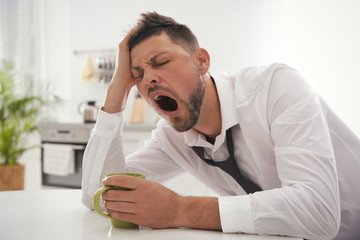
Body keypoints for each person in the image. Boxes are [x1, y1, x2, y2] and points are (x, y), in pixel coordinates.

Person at [81, 12, 360, 240]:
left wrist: (180, 210)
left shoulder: (275, 89)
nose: (148, 80)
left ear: (201, 61)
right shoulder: (173, 138)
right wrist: (117, 89)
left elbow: (319, 213)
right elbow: (100, 193)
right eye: (137, 74)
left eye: (161, 62)